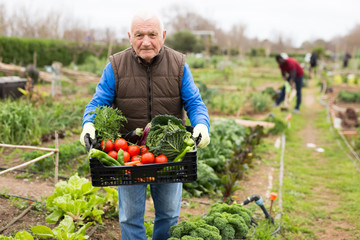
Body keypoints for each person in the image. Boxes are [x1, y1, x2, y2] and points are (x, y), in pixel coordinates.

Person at [79, 11, 210, 240]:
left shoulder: (178, 64)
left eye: (152, 34)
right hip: (129, 154)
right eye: (139, 35)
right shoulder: (116, 66)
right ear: (130, 37)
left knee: (169, 214)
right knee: (130, 216)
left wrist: (201, 124)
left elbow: (194, 102)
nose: (146, 41)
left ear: (164, 35)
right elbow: (98, 102)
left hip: (169, 153)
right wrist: (88, 124)